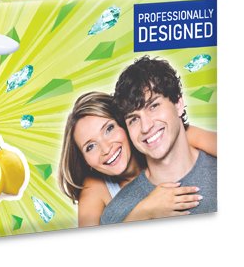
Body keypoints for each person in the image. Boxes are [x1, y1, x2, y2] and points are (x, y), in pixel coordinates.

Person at [59, 92, 215, 226]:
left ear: (125, 123)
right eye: (90, 147)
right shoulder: (94, 188)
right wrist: (145, 211)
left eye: (109, 129)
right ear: (84, 160)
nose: (106, 149)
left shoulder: (163, 138)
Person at [100, 57, 217, 224]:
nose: (146, 127)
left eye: (153, 106)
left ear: (178, 104)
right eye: (134, 119)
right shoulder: (116, 214)